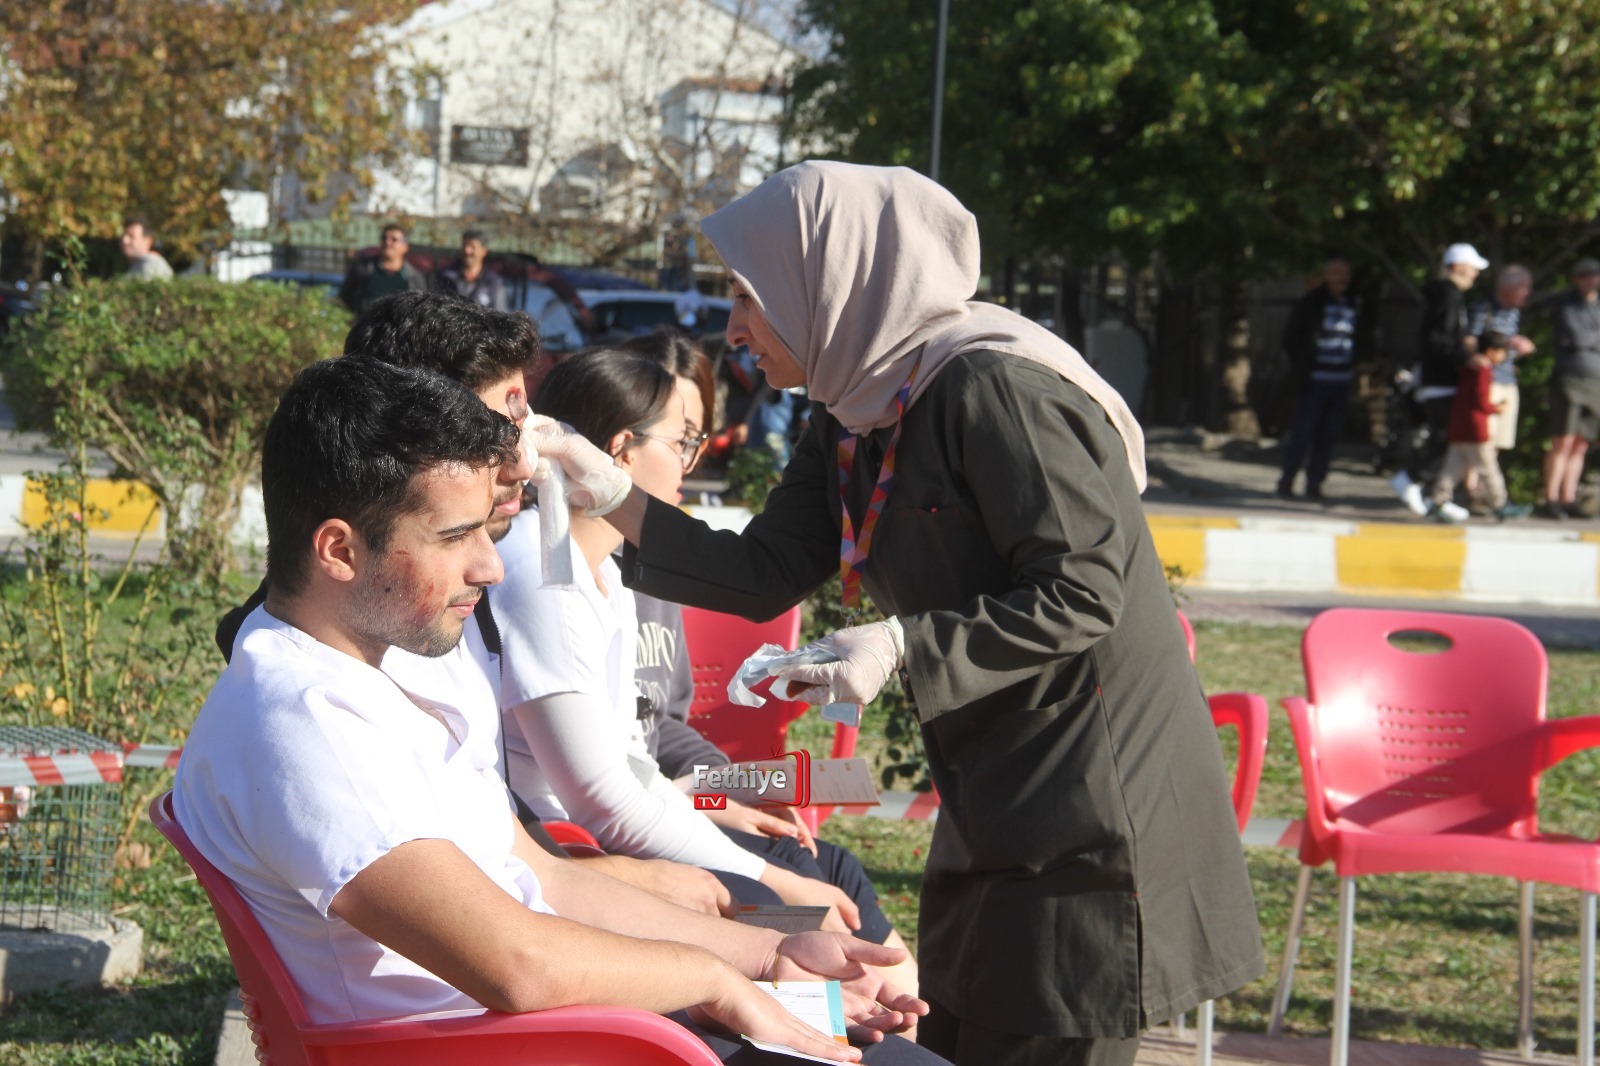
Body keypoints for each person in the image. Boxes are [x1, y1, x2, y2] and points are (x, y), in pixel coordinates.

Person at [534, 161, 1264, 1066]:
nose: (734, 331)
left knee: (1046, 1031)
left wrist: (903, 645)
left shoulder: (993, 387)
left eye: (749, 299)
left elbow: (1084, 588)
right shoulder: (852, 410)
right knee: (959, 1029)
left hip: (1091, 798)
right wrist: (611, 494)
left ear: (829, 283)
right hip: (996, 791)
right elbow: (761, 572)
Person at [176, 355, 936, 1064]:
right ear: (339, 551)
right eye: (456, 536)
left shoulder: (367, 679)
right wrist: (721, 977)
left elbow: (545, 879)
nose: (489, 564)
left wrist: (768, 952)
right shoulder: (307, 724)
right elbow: (520, 964)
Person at [213, 293, 757, 918]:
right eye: (508, 416)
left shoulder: (595, 576)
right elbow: (521, 920)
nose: (530, 448)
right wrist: (747, 924)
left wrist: (743, 789)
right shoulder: (391, 630)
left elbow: (656, 739)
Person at [494, 347, 902, 944]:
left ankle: (901, 1026)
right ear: (621, 451)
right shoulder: (543, 573)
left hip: (631, 827)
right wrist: (773, 878)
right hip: (581, 860)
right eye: (681, 441)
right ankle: (870, 1026)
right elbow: (604, 803)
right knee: (811, 915)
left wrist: (716, 796)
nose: (690, 462)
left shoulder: (608, 576)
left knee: (832, 873)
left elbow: (642, 753)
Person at [1393, 242, 1488, 517]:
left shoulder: (1447, 296)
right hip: (1440, 378)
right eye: (1472, 269)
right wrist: (1465, 356)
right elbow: (1438, 340)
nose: (1475, 275)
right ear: (1458, 268)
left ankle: (1436, 495)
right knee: (1446, 436)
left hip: (1441, 377)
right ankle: (1412, 479)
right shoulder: (1447, 296)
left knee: (1451, 439)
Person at [1276, 256, 1365, 501]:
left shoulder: (1354, 302)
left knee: (1328, 435)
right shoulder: (1311, 302)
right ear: (1326, 276)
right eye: (1337, 273)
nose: (1343, 279)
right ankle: (1286, 482)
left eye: (1346, 274)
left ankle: (1314, 485)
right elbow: (1292, 339)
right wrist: (1305, 364)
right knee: (1303, 432)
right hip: (1315, 379)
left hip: (1341, 378)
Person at [1426, 332, 1528, 522]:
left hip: (1459, 427)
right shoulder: (1483, 369)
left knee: (1452, 468)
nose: (1503, 357)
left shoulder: (1469, 365)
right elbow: (1480, 400)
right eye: (1501, 352)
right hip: (1475, 429)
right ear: (1490, 351)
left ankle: (1437, 501)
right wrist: (1497, 408)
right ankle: (1500, 503)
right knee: (1488, 468)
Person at [1541, 257, 1600, 520]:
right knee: (1562, 441)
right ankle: (1551, 498)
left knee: (1581, 444)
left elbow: (1584, 338)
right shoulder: (1566, 304)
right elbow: (1575, 337)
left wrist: (1589, 338)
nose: (1591, 279)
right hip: (1570, 379)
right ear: (1576, 279)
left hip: (1596, 381)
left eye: (1595, 274)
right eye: (1585, 274)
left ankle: (1568, 498)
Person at [1467, 265, 1537, 456]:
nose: (1528, 293)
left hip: (1508, 380)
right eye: (1524, 287)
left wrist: (1518, 347)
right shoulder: (1483, 308)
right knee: (1482, 439)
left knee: (1499, 440)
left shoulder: (1514, 312)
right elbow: (1470, 340)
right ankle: (1473, 485)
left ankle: (1483, 484)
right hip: (1488, 381)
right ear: (1508, 287)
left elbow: (1503, 348)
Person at [338, 222, 428, 315]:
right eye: (384, 238)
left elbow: (420, 310)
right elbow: (344, 299)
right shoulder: (362, 268)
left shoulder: (415, 277)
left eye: (394, 239)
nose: (387, 242)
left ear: (405, 247)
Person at [436, 228, 509, 311]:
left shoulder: (494, 283)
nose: (467, 251)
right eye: (464, 246)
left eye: (472, 247)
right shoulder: (446, 277)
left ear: (484, 251)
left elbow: (500, 316)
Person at [120, 215, 174, 280]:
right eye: (124, 235)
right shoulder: (138, 264)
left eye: (131, 236)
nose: (124, 240)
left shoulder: (152, 266)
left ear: (148, 240)